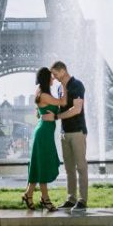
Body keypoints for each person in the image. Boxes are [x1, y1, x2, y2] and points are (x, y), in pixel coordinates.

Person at [22, 67, 67, 212]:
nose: (54, 78)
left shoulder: (42, 92)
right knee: (42, 165)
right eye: (52, 77)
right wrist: (65, 84)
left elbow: (46, 109)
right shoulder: (45, 95)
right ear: (46, 78)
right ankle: (45, 199)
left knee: (38, 164)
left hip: (44, 132)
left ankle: (28, 194)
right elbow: (63, 102)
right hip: (43, 134)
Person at [51, 61, 88, 212]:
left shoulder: (77, 85)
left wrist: (57, 116)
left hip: (77, 131)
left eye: (55, 73)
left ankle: (82, 200)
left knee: (81, 167)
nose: (53, 76)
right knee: (69, 169)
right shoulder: (60, 88)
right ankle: (71, 198)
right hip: (65, 133)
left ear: (63, 70)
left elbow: (77, 109)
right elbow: (60, 106)